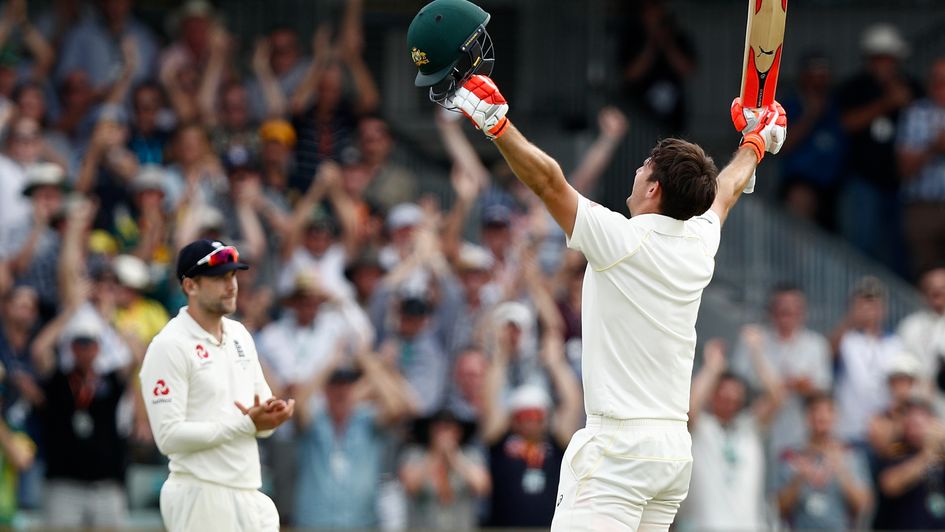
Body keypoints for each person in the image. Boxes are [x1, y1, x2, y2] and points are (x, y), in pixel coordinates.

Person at [407, 1, 787, 527]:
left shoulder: (625, 241)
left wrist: (497, 125)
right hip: (671, 452)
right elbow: (724, 192)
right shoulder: (699, 241)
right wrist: (754, 142)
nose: (634, 171)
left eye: (643, 167)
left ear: (653, 189)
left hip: (621, 451)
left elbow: (548, 183)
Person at [139, 240, 294, 531]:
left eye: (233, 275)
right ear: (190, 286)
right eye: (219, 278)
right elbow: (169, 437)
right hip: (200, 495)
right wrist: (247, 425)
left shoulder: (239, 335)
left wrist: (271, 417)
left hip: (248, 491)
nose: (232, 285)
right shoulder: (169, 345)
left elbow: (257, 415)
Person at [682, 336, 783, 530]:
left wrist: (756, 353)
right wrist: (712, 368)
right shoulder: (702, 427)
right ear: (712, 394)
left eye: (735, 392)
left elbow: (776, 397)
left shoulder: (750, 427)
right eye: (724, 391)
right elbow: (690, 407)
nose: (730, 397)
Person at [776, 393, 872, 531]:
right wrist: (798, 479)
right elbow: (779, 509)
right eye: (814, 410)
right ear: (806, 416)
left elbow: (864, 506)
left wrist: (841, 471)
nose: (820, 416)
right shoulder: (789, 456)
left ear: (835, 416)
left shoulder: (852, 454)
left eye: (827, 411)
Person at [896, 58, 945, 276]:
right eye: (937, 81)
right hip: (923, 206)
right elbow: (904, 169)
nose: (941, 87)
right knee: (926, 275)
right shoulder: (915, 114)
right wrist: (935, 146)